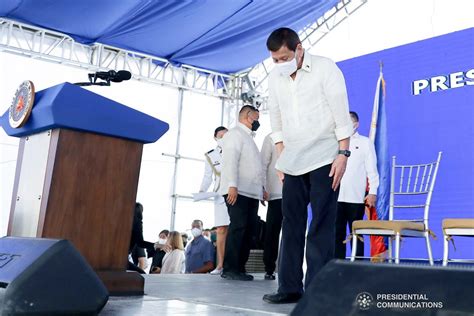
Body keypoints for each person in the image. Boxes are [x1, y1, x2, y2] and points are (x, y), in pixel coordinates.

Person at [262, 28, 353, 303]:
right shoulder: (275, 78)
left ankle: (318, 290)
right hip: (292, 161)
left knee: (321, 225)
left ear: (299, 48)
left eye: (284, 57)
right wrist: (281, 156)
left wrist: (343, 155)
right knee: (291, 225)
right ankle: (288, 287)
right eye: (275, 59)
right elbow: (275, 120)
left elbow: (340, 114)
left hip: (325, 157)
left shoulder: (326, 69)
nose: (279, 64)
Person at [219, 105, 264, 281]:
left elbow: (255, 166)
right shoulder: (235, 134)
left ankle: (240, 267)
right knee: (238, 228)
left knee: (249, 231)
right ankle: (230, 268)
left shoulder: (249, 138)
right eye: (256, 117)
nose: (258, 121)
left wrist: (262, 189)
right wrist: (232, 185)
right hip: (238, 190)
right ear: (247, 115)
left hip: (251, 192)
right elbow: (230, 160)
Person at [335, 111, 379, 259]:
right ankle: (336, 266)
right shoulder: (334, 142)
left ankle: (357, 266)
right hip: (336, 196)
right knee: (336, 234)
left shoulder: (365, 142)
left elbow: (372, 169)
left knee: (356, 235)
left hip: (356, 198)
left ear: (356, 124)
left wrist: (372, 191)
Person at [198, 126, 230, 275]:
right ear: (215, 138)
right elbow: (207, 176)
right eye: (221, 136)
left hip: (236, 191)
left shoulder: (236, 150)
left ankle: (233, 264)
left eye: (226, 135)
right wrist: (201, 191)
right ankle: (220, 265)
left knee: (235, 230)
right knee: (221, 230)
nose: (224, 138)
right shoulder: (211, 155)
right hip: (219, 195)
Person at [261, 133, 283, 280]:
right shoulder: (271, 137)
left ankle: (289, 268)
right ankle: (269, 268)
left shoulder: (299, 131)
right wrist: (262, 187)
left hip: (295, 194)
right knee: (272, 233)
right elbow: (262, 163)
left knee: (293, 234)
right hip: (275, 193)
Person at [128, 202, 156, 274]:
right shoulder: (137, 223)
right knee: (142, 274)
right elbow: (141, 243)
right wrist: (156, 245)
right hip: (125, 259)